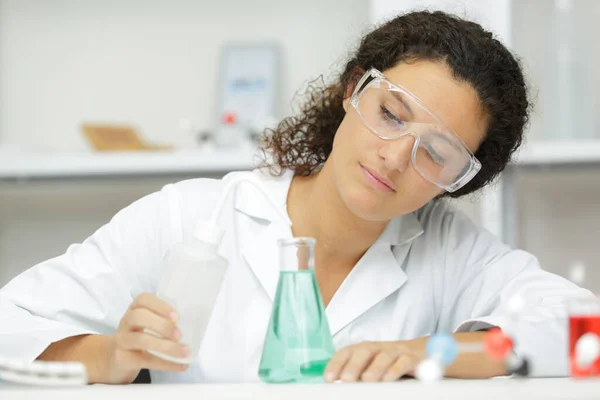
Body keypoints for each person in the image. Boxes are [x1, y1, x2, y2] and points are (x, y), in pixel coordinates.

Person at [0, 10, 592, 384]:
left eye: (436, 154)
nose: (393, 156)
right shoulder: (190, 217)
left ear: (461, 179)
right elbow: (11, 326)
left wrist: (432, 352)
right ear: (350, 90)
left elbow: (584, 332)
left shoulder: (451, 253)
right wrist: (111, 358)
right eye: (390, 113)